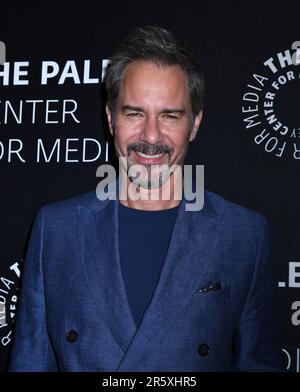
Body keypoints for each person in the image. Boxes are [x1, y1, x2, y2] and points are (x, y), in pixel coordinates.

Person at [9, 26, 283, 372]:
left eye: (170, 115)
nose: (151, 135)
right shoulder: (56, 229)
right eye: (134, 113)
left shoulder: (245, 236)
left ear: (195, 124)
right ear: (111, 119)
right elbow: (30, 362)